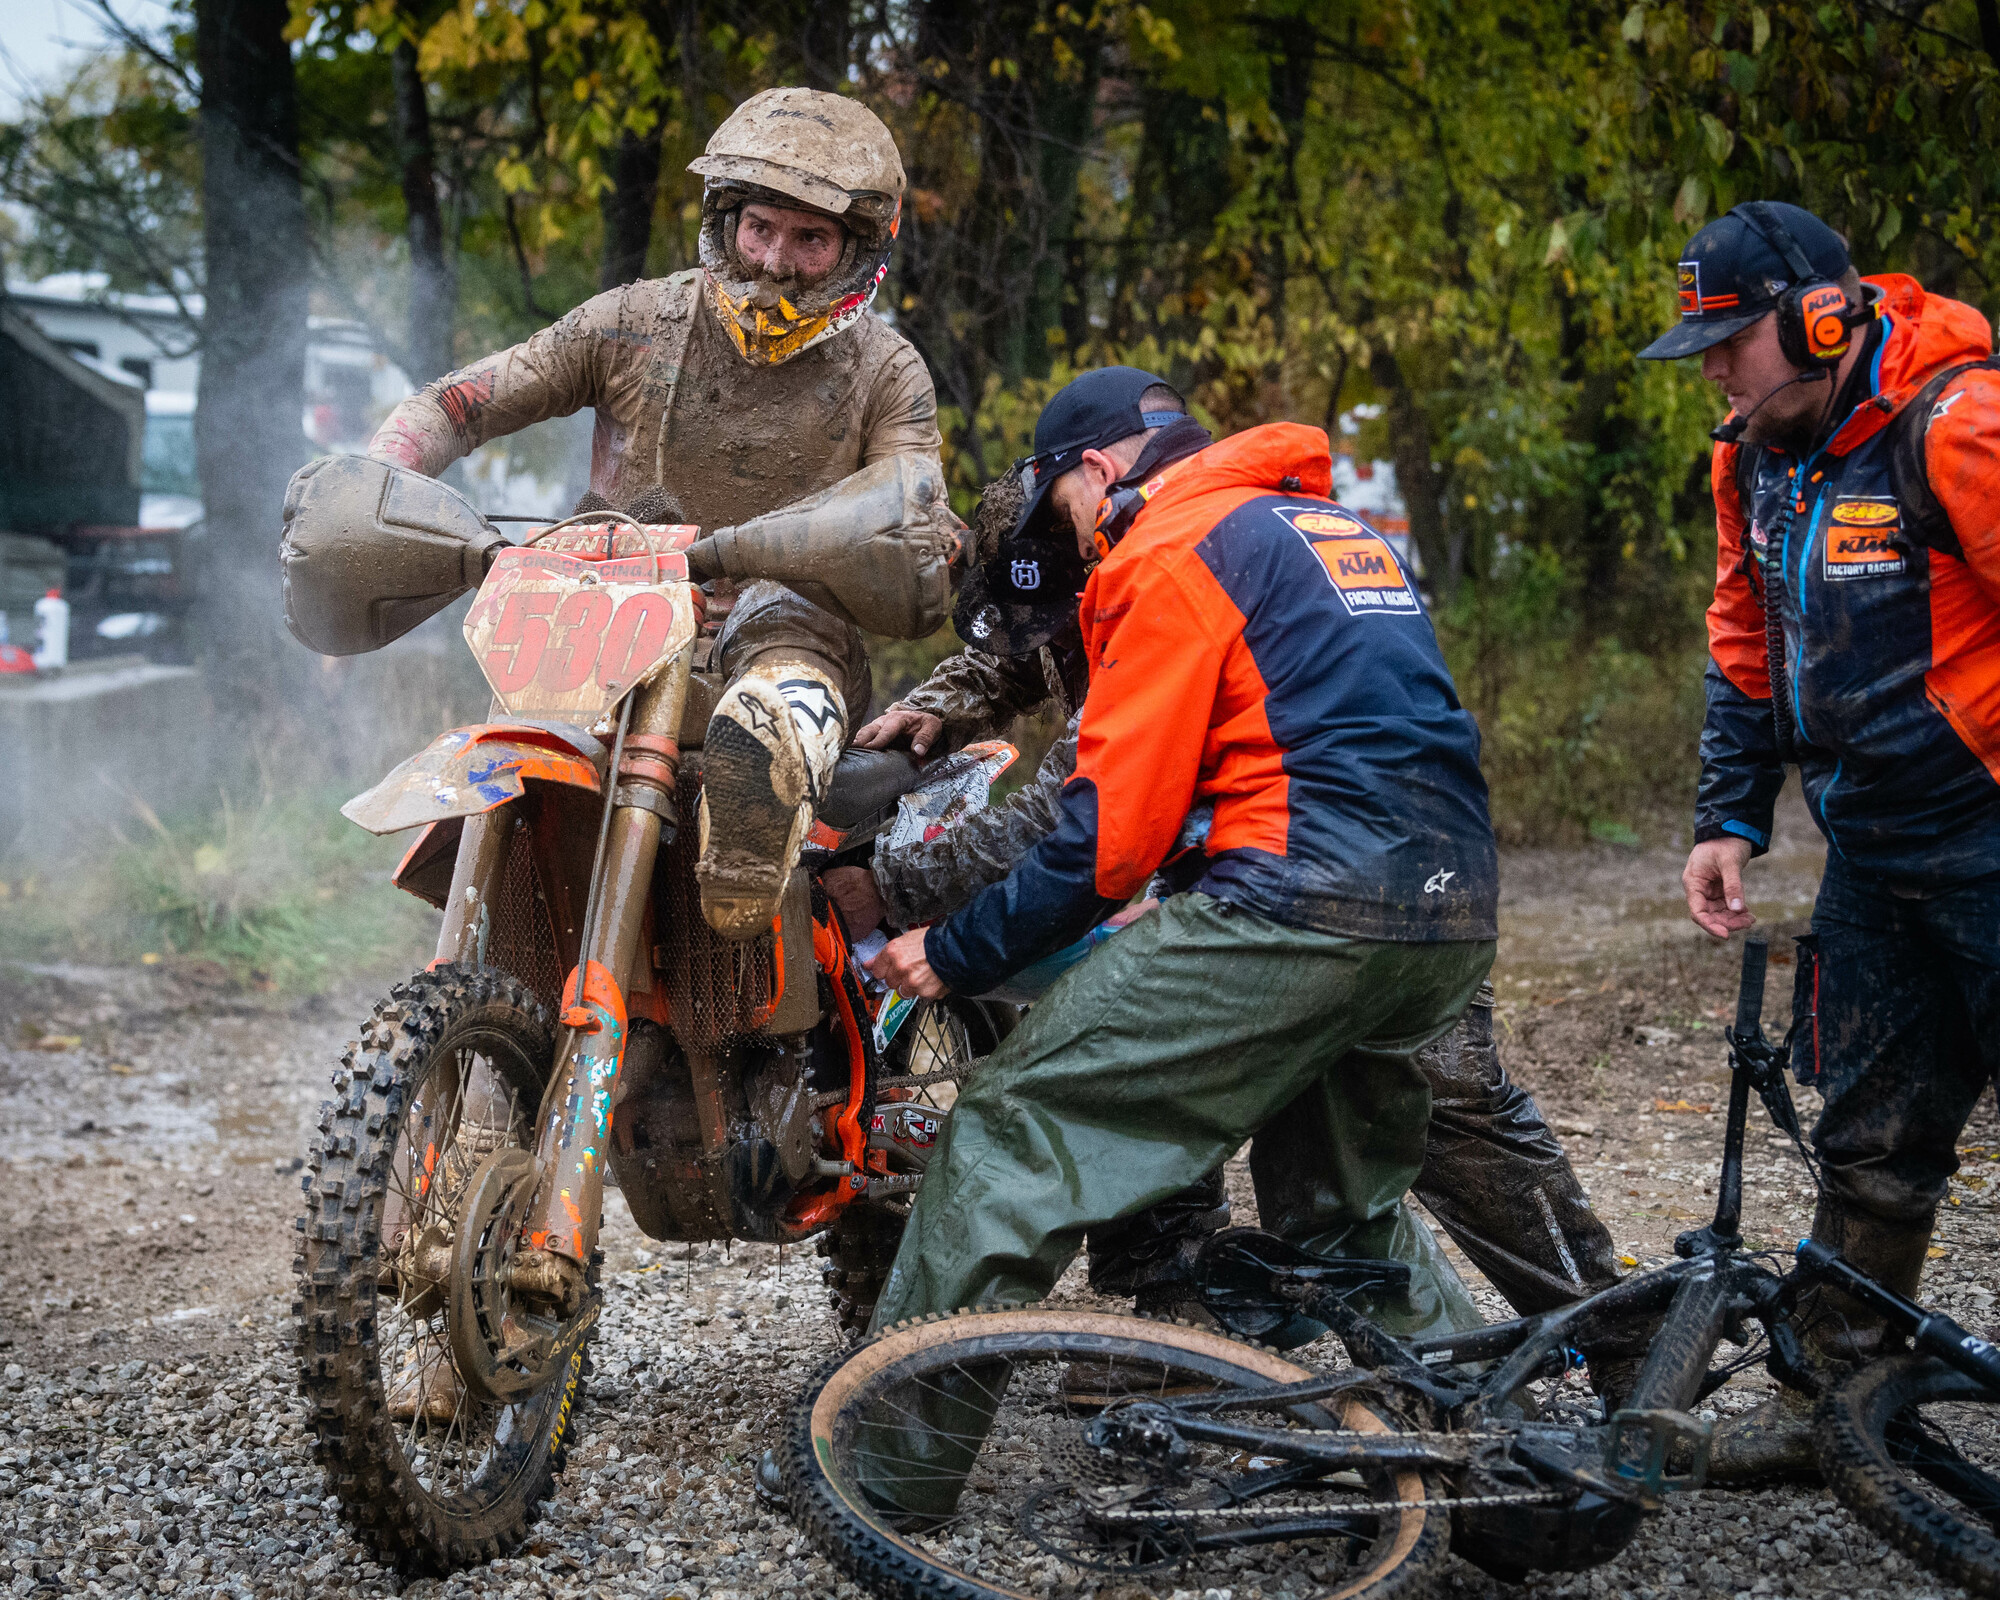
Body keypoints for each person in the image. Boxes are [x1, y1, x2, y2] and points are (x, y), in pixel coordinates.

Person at [835, 394, 1623, 1331]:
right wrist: (947, 708)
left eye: (1067, 532)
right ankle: (1479, 1417)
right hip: (1443, 884)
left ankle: (874, 1459)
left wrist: (925, 916)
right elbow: (1024, 656)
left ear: (1097, 472)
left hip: (1305, 891)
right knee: (1338, 1201)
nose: (1077, 562)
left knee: (1048, 1104)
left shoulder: (1164, 553)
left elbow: (1090, 827)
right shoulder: (1317, 526)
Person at [1648, 201, 2000, 1481]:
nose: (1717, 371)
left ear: (1820, 317)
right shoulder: (1758, 456)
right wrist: (1729, 814)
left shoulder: (1970, 425)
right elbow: (1747, 642)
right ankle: (1835, 1402)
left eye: (1733, 341)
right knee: (1870, 1127)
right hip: (1877, 850)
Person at [367, 86, 948, 941]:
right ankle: (496, 978)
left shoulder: (886, 371)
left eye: (811, 238)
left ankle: (749, 922)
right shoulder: (635, 320)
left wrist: (918, 549)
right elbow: (464, 401)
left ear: (860, 248)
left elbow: (913, 515)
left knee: (776, 715)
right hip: (606, 622)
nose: (776, 261)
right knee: (514, 781)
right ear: (724, 218)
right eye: (759, 227)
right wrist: (385, 472)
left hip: (790, 635)